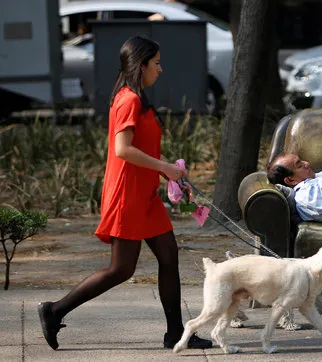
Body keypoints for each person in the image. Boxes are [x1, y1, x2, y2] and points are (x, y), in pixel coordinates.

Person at [37, 36, 212, 351]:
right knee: (121, 269)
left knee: (169, 256)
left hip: (145, 195)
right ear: (141, 64)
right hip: (127, 195)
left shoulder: (138, 98)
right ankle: (54, 311)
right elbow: (123, 149)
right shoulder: (128, 99)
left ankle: (175, 333)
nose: (161, 69)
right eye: (156, 63)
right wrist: (164, 166)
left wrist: (167, 171)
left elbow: (140, 148)